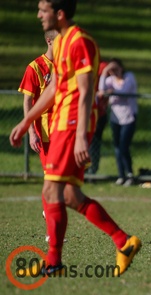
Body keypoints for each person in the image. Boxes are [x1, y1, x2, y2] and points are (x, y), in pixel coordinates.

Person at [9, 0, 141, 276]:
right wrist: (27, 121)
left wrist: (81, 136)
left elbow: (85, 91)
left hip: (71, 126)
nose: (38, 16)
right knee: (68, 194)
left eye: (42, 11)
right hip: (61, 125)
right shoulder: (60, 44)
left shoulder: (80, 41)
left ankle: (54, 261)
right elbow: (55, 88)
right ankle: (123, 242)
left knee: (51, 191)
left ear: (58, 14)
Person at [18, 29, 58, 242]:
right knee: (51, 178)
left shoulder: (65, 66)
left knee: (62, 180)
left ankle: (48, 212)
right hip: (45, 133)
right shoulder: (35, 67)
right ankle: (51, 229)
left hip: (64, 131)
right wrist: (31, 131)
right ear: (49, 40)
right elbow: (27, 101)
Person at [99, 58, 138, 186]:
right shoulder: (110, 80)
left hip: (129, 117)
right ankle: (121, 175)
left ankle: (130, 174)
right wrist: (104, 72)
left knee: (123, 146)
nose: (114, 71)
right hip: (115, 119)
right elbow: (101, 90)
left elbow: (124, 91)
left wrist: (112, 92)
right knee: (117, 147)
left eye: (116, 68)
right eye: (112, 69)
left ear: (121, 67)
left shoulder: (129, 77)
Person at [86, 60, 109, 177]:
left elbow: (116, 78)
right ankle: (82, 169)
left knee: (94, 143)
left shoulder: (102, 66)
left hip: (98, 114)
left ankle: (92, 170)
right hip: (81, 114)